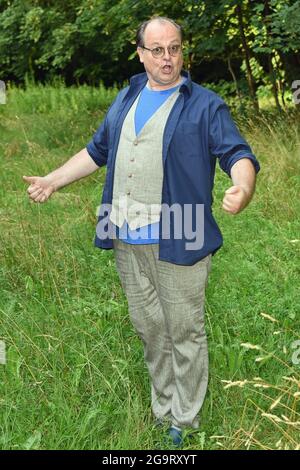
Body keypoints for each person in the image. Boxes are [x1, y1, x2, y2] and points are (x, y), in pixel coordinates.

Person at [23, 16, 260, 447]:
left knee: (184, 330)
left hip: (180, 235)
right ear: (140, 53)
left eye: (174, 48)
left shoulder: (204, 104)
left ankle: (184, 421)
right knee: (150, 327)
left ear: (182, 51)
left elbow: (237, 152)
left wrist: (242, 185)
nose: (167, 58)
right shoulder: (127, 97)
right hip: (125, 236)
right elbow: (97, 151)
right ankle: (163, 403)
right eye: (157, 50)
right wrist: (52, 180)